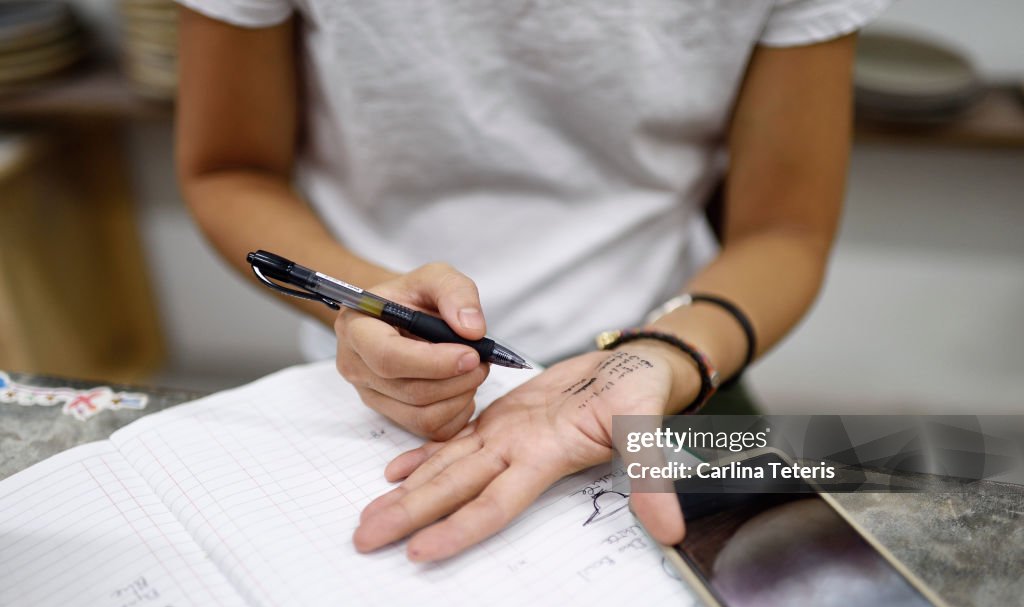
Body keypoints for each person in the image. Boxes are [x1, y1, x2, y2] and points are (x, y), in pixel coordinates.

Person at [175, 0, 887, 562]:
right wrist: (367, 300)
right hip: (373, 368)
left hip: (679, 357)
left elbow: (783, 234)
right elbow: (229, 168)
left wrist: (664, 356)